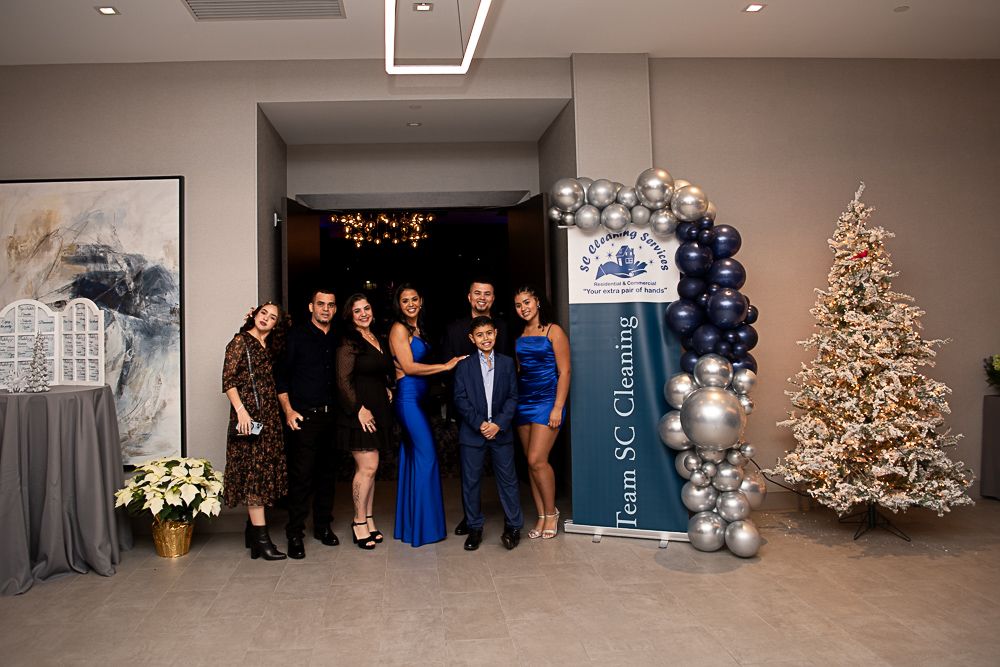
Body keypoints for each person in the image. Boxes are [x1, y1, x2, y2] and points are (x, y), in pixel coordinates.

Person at [389, 283, 464, 547]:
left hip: (417, 401)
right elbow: (409, 367)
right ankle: (425, 529)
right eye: (405, 300)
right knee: (427, 457)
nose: (410, 304)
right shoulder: (399, 329)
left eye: (414, 299)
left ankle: (412, 527)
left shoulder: (417, 329)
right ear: (399, 305)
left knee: (412, 459)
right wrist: (445, 366)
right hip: (408, 401)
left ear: (421, 301)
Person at [275, 288, 339, 559]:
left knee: (327, 476)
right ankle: (294, 533)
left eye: (330, 305)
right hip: (304, 418)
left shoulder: (338, 337)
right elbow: (281, 378)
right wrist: (289, 411)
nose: (325, 309)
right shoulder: (296, 337)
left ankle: (323, 527)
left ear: (335, 309)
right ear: (311, 307)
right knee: (301, 478)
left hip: (333, 416)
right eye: (320, 304)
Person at [442, 278, 509, 536]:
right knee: (470, 471)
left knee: (505, 469)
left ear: (493, 298)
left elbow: (510, 367)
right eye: (477, 293)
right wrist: (468, 410)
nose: (482, 297)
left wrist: (500, 416)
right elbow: (448, 369)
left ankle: (510, 519)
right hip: (468, 411)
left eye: (487, 293)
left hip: (499, 412)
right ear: (469, 297)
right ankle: (471, 519)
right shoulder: (454, 328)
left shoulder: (503, 327)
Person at [222, 302, 288, 560]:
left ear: (275, 325)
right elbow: (228, 380)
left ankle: (252, 534)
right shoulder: (240, 341)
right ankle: (262, 541)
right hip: (249, 420)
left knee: (261, 473)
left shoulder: (269, 346)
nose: (266, 319)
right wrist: (241, 411)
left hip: (268, 419)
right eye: (263, 313)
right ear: (254, 315)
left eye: (272, 318)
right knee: (254, 477)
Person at [453, 316, 522, 551]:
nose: (485, 338)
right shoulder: (464, 366)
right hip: (473, 433)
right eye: (480, 335)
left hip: (500, 433)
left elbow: (513, 396)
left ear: (496, 334)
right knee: (471, 482)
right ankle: (474, 527)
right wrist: (480, 424)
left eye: (489, 333)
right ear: (472, 338)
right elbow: (460, 399)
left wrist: (498, 424)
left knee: (508, 481)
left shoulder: (507, 363)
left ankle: (513, 526)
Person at [336, 293, 395, 550]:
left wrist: (386, 388)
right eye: (357, 310)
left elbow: (375, 372)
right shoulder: (349, 341)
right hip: (360, 413)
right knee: (367, 467)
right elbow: (342, 380)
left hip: (378, 409)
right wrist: (358, 409)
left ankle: (369, 519)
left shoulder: (376, 337)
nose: (363, 314)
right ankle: (358, 521)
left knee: (373, 467)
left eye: (367, 308)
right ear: (350, 316)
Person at [513, 285, 571, 540]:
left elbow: (565, 371)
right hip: (523, 402)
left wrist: (558, 406)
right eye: (518, 305)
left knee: (538, 459)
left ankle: (551, 512)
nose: (523, 308)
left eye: (526, 302)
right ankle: (540, 515)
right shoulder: (520, 336)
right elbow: (520, 372)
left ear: (537, 302)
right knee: (530, 462)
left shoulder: (553, 331)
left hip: (547, 401)